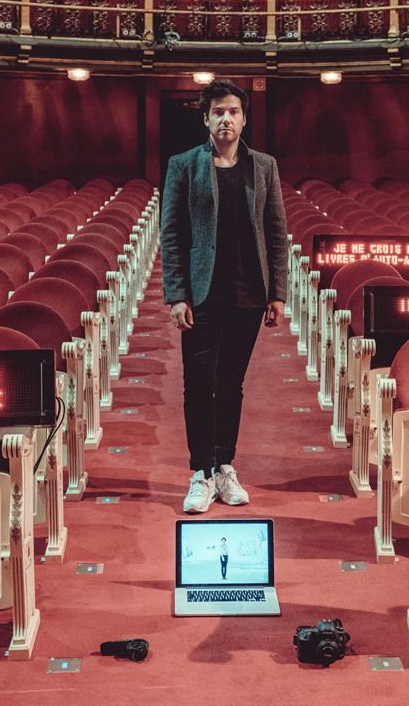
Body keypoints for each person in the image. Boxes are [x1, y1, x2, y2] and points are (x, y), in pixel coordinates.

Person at [161, 79, 288, 514]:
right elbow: (172, 234)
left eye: (233, 111)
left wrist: (278, 293)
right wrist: (177, 294)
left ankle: (224, 467)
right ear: (206, 119)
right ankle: (200, 471)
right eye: (218, 112)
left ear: (244, 117)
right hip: (202, 293)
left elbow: (277, 233)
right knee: (198, 382)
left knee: (230, 383)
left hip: (249, 293)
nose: (226, 119)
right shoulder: (184, 165)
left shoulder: (264, 166)